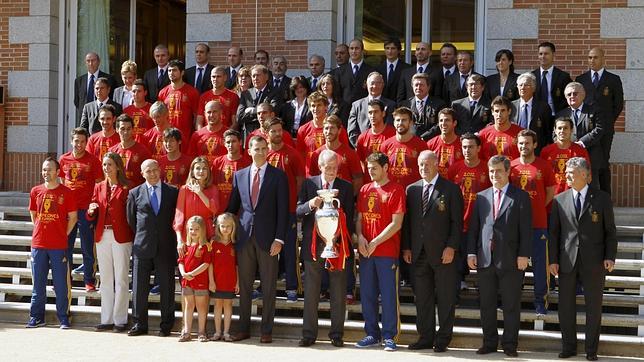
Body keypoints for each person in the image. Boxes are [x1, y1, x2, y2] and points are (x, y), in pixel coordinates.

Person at [548, 157, 617, 361]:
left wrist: (610, 257)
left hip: (594, 261)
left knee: (593, 306)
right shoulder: (560, 200)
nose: (567, 175)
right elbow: (554, 234)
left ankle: (591, 349)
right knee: (565, 306)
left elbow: (610, 231)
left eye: (572, 172)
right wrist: (552, 260)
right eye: (567, 172)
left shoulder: (602, 198)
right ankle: (568, 347)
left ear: (586, 175)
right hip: (567, 260)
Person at [225, 136, 289, 343]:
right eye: (256, 148)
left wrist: (279, 239)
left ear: (268, 150)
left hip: (269, 239)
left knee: (269, 286)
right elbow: (232, 207)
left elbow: (283, 211)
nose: (260, 152)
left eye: (263, 148)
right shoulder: (239, 175)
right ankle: (243, 328)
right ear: (249, 150)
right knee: (244, 286)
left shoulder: (278, 176)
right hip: (244, 238)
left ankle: (266, 330)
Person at [467, 155, 532, 357]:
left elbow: (526, 230)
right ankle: (489, 343)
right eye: (491, 171)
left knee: (511, 304)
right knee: (486, 304)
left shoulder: (520, 196)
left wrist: (524, 255)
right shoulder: (482, 196)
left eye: (498, 171)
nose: (494, 175)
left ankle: (510, 344)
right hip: (486, 259)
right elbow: (474, 228)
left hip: (511, 259)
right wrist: (471, 252)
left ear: (507, 172)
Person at [402, 150, 463, 353]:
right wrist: (407, 247)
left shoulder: (451, 189)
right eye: (420, 165)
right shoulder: (411, 190)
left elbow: (457, 223)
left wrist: (451, 247)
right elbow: (408, 223)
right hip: (418, 254)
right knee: (423, 298)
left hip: (443, 254)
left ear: (437, 164)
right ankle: (425, 337)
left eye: (427, 164)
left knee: (445, 297)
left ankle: (443, 337)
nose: (423, 168)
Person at [297, 149, 354, 348]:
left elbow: (350, 217)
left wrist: (340, 235)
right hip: (313, 246)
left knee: (338, 292)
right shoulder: (308, 184)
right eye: (327, 167)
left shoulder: (345, 188)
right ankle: (308, 334)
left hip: (337, 245)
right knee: (311, 291)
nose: (330, 171)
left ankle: (337, 334)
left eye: (334, 167)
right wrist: (310, 205)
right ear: (319, 166)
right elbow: (297, 211)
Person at [355, 152, 405, 352]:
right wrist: (360, 237)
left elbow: (397, 223)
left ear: (386, 168)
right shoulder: (365, 189)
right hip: (367, 251)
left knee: (388, 295)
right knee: (367, 294)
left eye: (374, 167)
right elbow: (359, 218)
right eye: (368, 168)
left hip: (386, 251)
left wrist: (375, 241)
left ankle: (390, 336)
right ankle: (371, 334)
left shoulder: (396, 190)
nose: (370, 171)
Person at [126, 159, 179, 337]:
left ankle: (166, 325)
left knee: (167, 287)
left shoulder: (172, 192)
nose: (153, 174)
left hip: (165, 246)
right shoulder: (134, 193)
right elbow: (131, 219)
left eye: (155, 170)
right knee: (139, 288)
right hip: (143, 246)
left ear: (160, 170)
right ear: (142, 173)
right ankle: (140, 324)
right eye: (149, 171)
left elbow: (176, 217)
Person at [27, 157, 77, 329]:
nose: (45, 173)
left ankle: (63, 317)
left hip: (58, 245)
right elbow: (34, 215)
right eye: (43, 169)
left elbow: (73, 218)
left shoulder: (67, 192)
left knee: (61, 284)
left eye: (49, 169)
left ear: (57, 172)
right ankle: (36, 317)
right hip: (39, 245)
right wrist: (41, 230)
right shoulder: (35, 191)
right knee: (38, 285)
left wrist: (63, 234)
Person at [510, 130, 556, 315]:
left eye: (527, 143)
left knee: (540, 267)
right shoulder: (511, 167)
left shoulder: (544, 166)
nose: (523, 146)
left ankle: (540, 303)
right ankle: (512, 302)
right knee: (515, 266)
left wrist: (536, 208)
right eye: (520, 143)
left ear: (535, 145)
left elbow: (551, 192)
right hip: (515, 227)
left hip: (538, 224)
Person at [87, 152, 133, 332]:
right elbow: (92, 208)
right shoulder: (98, 186)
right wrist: (91, 210)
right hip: (102, 235)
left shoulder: (127, 187)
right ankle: (106, 319)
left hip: (121, 236)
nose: (106, 168)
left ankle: (120, 320)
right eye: (105, 165)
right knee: (105, 279)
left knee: (121, 279)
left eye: (110, 165)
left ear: (118, 167)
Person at [265, 118, 306, 301]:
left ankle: (292, 287)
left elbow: (300, 181)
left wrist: (296, 203)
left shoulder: (293, 154)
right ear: (266, 133)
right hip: (268, 212)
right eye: (273, 131)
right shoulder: (263, 154)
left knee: (289, 251)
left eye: (280, 130)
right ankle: (266, 286)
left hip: (288, 210)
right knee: (267, 251)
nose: (277, 134)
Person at [58, 127, 103, 291]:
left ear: (87, 142)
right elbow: (61, 185)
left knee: (87, 246)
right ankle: (64, 279)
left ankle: (89, 280)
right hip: (69, 211)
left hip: (86, 210)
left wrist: (94, 204)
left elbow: (99, 184)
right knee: (65, 247)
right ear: (72, 141)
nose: (79, 144)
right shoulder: (63, 159)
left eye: (83, 141)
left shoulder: (93, 161)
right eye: (76, 141)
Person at [576, 47, 624, 195]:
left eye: (595, 57)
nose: (592, 60)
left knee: (602, 164)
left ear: (603, 59)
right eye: (590, 58)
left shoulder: (613, 79)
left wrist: (607, 122)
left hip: (605, 131)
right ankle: (585, 195)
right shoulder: (581, 79)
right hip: (585, 131)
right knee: (584, 163)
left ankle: (604, 199)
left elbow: (618, 104)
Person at [447, 133, 491, 292]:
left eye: (471, 147)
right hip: (460, 219)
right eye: (464, 147)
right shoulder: (454, 169)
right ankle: (459, 282)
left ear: (479, 148)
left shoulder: (487, 168)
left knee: (482, 252)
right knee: (459, 253)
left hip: (482, 219)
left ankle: (483, 283)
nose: (467, 150)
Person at [555, 82, 605, 190]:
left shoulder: (594, 110)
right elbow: (555, 135)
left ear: (583, 95)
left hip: (591, 156)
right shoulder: (561, 115)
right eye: (569, 94)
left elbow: (599, 129)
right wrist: (567, 145)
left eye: (575, 93)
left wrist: (581, 143)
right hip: (567, 157)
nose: (572, 96)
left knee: (591, 187)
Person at [177, 215, 212, 342]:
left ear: (202, 230)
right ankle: (187, 331)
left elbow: (206, 264)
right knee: (188, 305)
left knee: (201, 306)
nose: (193, 232)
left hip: (200, 281)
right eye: (191, 229)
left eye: (197, 229)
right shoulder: (185, 246)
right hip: (187, 281)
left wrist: (193, 273)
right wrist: (183, 273)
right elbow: (180, 261)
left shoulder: (206, 246)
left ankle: (202, 332)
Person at [308, 115, 363, 194]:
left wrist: (349, 199)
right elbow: (312, 181)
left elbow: (358, 181)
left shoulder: (350, 154)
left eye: (332, 128)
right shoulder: (316, 154)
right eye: (326, 128)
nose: (329, 131)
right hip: (322, 201)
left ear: (339, 130)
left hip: (343, 201)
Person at [297, 92, 350, 172]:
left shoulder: (338, 129)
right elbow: (300, 157)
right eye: (313, 106)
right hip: (311, 175)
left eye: (319, 105)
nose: (315, 109)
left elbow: (345, 152)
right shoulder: (303, 130)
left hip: (333, 173)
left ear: (326, 107)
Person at [174, 156, 220, 248]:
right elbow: (179, 216)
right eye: (198, 168)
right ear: (192, 171)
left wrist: (199, 192)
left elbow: (214, 209)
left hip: (207, 233)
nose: (201, 171)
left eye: (204, 169)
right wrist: (179, 240)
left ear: (208, 172)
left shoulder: (213, 189)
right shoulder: (184, 189)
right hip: (189, 234)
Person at [379, 107, 428, 189]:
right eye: (398, 120)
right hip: (391, 192)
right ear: (394, 122)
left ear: (411, 123)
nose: (400, 123)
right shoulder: (385, 145)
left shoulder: (421, 145)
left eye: (404, 120)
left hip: (414, 191)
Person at [157, 59, 200, 151]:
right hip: (167, 138)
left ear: (182, 72)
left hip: (185, 138)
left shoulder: (192, 92)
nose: (171, 73)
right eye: (169, 70)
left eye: (174, 70)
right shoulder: (162, 93)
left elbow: (196, 116)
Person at [540, 117, 590, 195]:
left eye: (565, 128)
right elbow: (541, 177)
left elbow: (588, 177)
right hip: (552, 197)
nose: (562, 131)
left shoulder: (580, 151)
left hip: (573, 196)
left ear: (571, 130)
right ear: (555, 130)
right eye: (559, 128)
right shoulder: (546, 151)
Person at [210, 213, 239, 342]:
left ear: (233, 227)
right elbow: (209, 264)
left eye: (228, 226)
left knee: (228, 305)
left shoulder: (235, 244)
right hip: (217, 281)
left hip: (230, 281)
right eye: (222, 226)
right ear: (218, 227)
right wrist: (211, 281)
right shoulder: (213, 243)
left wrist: (237, 282)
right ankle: (217, 332)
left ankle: (226, 332)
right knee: (217, 305)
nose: (225, 229)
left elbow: (237, 265)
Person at [347, 72, 396, 147]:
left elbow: (391, 128)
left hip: (384, 149)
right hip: (362, 148)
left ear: (383, 85)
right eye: (372, 83)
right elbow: (351, 130)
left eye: (378, 83)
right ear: (366, 85)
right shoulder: (356, 105)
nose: (375, 86)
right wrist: (360, 147)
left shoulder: (391, 105)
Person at [237, 64, 286, 138]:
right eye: (253, 76)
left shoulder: (275, 92)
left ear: (266, 77)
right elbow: (240, 117)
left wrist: (252, 111)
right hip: (249, 135)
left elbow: (273, 112)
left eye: (258, 75)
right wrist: (262, 112)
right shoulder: (246, 93)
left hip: (267, 135)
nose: (255, 78)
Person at [510, 72, 553, 155]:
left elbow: (548, 130)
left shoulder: (543, 107)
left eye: (526, 85)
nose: (523, 87)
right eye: (520, 85)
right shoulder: (511, 106)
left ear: (533, 88)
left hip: (536, 150)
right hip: (515, 149)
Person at [355, 99, 396, 182]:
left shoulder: (393, 134)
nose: (372, 115)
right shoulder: (362, 137)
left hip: (388, 182)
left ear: (383, 113)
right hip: (369, 183)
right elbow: (360, 162)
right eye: (370, 112)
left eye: (376, 112)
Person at [74, 52, 117, 126]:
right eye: (88, 61)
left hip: (105, 120)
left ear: (99, 62)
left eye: (93, 60)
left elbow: (112, 98)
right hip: (85, 120)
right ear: (85, 63)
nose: (91, 63)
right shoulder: (79, 80)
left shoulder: (109, 79)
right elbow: (77, 101)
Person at [211, 129, 252, 208]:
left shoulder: (247, 164)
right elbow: (212, 184)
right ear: (224, 144)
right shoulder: (217, 162)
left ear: (240, 142)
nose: (230, 145)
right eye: (228, 142)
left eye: (233, 141)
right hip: (220, 207)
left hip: (239, 207)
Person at [401, 72, 446, 141]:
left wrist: (424, 137)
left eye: (421, 85)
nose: (418, 87)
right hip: (410, 141)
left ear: (428, 87)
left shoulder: (439, 104)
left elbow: (439, 125)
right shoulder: (405, 104)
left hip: (431, 141)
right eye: (416, 85)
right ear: (412, 86)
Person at [109, 114, 153, 186]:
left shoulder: (143, 151)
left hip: (136, 194)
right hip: (117, 194)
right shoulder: (112, 151)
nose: (126, 132)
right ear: (117, 130)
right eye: (122, 129)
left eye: (128, 129)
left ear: (133, 129)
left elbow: (149, 176)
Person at [532, 41, 572, 115]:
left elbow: (568, 98)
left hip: (558, 117)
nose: (543, 56)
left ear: (553, 55)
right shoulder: (532, 76)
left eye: (546, 54)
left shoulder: (563, 76)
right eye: (540, 54)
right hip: (537, 116)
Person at [479, 96, 522, 160]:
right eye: (496, 111)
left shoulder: (520, 133)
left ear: (509, 111)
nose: (499, 114)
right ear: (492, 112)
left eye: (503, 110)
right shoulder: (483, 134)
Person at [335, 39, 375, 105]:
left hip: (363, 109)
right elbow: (337, 94)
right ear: (349, 51)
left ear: (362, 51)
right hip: (344, 111)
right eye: (351, 48)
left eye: (357, 48)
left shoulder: (371, 71)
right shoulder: (339, 71)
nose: (354, 51)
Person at [426, 108, 463, 178]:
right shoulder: (430, 144)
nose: (443, 123)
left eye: (447, 120)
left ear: (454, 123)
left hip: (456, 185)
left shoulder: (463, 144)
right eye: (441, 120)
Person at [87, 105, 121, 169]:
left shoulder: (120, 138)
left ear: (114, 119)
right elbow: (88, 160)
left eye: (108, 119)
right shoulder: (92, 139)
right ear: (99, 119)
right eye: (102, 119)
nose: (105, 122)